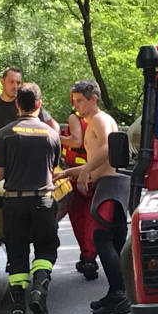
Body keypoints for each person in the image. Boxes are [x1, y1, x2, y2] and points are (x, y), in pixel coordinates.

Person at [54, 80, 128, 314]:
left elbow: (108, 147)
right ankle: (118, 291)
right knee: (115, 242)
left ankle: (119, 294)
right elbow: (96, 160)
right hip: (109, 185)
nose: (76, 107)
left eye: (80, 101)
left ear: (93, 98)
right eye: (74, 101)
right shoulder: (94, 122)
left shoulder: (98, 119)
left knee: (101, 237)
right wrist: (67, 173)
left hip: (109, 186)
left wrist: (86, 172)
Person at [0, 67, 58, 273]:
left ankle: (13, 266)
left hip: (21, 169)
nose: (16, 86)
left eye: (18, 82)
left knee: (15, 224)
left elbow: (51, 125)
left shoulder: (27, 101)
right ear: (2, 82)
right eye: (12, 82)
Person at [0, 82, 61, 314]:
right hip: (43, 200)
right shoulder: (52, 134)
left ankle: (18, 310)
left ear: (17, 105)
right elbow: (53, 170)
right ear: (39, 106)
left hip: (14, 203)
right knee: (45, 250)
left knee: (17, 254)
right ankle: (39, 292)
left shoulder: (4, 134)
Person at [61, 104, 98, 280]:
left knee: (78, 217)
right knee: (91, 217)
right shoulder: (98, 119)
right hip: (95, 173)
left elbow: (76, 141)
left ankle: (87, 255)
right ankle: (89, 255)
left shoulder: (74, 118)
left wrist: (57, 137)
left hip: (78, 174)